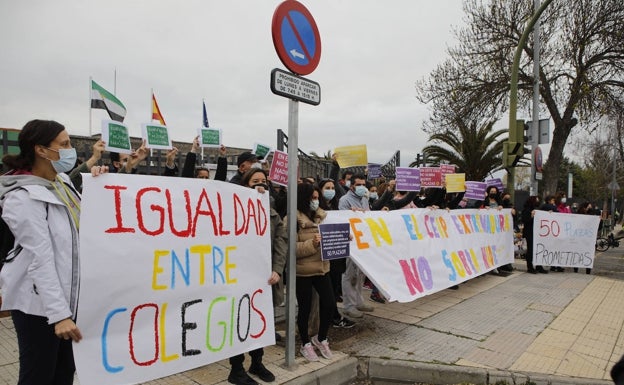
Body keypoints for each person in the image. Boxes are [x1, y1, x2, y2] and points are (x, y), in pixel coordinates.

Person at [0, 119, 108, 385]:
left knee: (63, 373)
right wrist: (59, 315)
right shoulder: (22, 196)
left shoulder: (61, 182)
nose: (71, 150)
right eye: (65, 144)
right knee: (38, 375)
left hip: (69, 297)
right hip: (39, 307)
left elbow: (83, 227)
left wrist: (99, 186)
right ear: (41, 150)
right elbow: (40, 258)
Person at [226, 168, 287, 385]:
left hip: (264, 280)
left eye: (263, 181)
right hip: (238, 279)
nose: (260, 185)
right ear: (245, 185)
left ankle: (257, 362)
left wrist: (277, 269)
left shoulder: (272, 214)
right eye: (254, 181)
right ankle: (236, 368)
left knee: (260, 321)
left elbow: (281, 243)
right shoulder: (232, 211)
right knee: (239, 321)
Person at [295, 182, 335, 361]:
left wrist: (341, 238)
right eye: (312, 198)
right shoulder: (293, 219)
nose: (316, 201)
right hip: (302, 272)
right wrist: (313, 244)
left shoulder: (322, 217)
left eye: (317, 198)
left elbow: (332, 237)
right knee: (304, 308)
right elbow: (291, 250)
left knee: (330, 304)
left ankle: (321, 338)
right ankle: (305, 343)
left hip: (322, 269)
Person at [317, 178, 356, 329]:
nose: (331, 190)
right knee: (327, 292)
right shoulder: (316, 209)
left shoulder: (336, 207)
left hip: (336, 255)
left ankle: (333, 316)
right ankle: (332, 317)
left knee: (333, 288)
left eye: (333, 187)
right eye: (327, 187)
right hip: (322, 256)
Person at [338, 173, 375, 318]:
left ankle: (359, 302)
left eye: (363, 184)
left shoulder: (364, 199)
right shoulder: (345, 200)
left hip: (363, 240)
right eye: (358, 185)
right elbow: (342, 218)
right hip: (351, 241)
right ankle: (349, 305)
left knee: (360, 274)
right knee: (349, 274)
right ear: (352, 185)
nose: (361, 187)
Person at [522, 196, 548, 274]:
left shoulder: (538, 210)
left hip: (537, 233)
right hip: (530, 233)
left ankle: (539, 266)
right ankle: (530, 267)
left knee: (539, 249)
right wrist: (531, 216)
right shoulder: (526, 210)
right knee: (531, 250)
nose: (538, 202)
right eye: (536, 201)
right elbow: (525, 221)